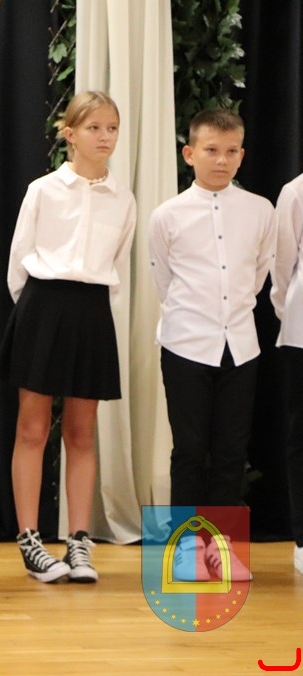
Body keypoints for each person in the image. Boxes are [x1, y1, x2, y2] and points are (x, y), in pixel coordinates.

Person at [0, 91, 135, 583]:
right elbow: (19, 261)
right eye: (94, 127)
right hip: (42, 305)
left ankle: (79, 542)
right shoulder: (44, 190)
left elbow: (118, 264)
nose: (105, 137)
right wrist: (38, 312)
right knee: (32, 429)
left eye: (112, 128)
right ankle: (30, 539)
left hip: (92, 312)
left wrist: (90, 313)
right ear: (70, 133)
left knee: (82, 431)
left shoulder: (124, 198)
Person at [149, 109, 274, 582]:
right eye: (211, 150)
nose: (221, 160)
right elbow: (164, 279)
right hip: (186, 344)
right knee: (189, 450)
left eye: (231, 151)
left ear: (241, 155)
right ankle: (187, 550)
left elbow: (259, 275)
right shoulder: (168, 215)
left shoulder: (260, 210)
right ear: (190, 154)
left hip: (240, 345)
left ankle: (222, 550)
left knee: (230, 451)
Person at [272, 170, 303, 576]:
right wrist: (288, 311)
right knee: (302, 437)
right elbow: (281, 266)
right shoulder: (295, 192)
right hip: (301, 333)